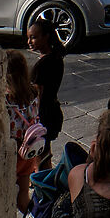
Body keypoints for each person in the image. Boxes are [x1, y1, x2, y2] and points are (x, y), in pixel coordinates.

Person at [5, 49, 46, 210]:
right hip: (28, 149)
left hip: (13, 151)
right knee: (23, 196)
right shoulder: (34, 92)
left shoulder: (6, 98)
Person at [26, 13, 67, 147]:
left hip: (43, 116)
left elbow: (38, 95)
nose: (29, 42)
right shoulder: (57, 58)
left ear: (46, 37)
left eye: (33, 37)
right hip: (53, 112)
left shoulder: (42, 65)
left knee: (39, 156)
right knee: (45, 153)